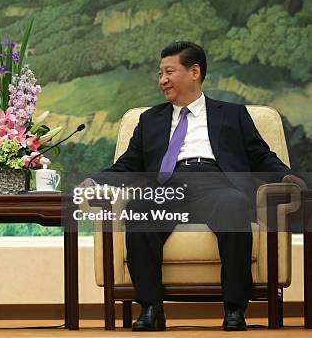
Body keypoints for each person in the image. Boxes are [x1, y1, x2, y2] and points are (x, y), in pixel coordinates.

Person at [101, 42, 306, 331]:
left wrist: (285, 176)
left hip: (215, 183)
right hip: (167, 185)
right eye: (160, 73)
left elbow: (261, 156)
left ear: (194, 71)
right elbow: (128, 164)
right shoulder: (150, 120)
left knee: (234, 205)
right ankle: (151, 309)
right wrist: (95, 181)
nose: (162, 80)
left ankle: (234, 309)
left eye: (169, 71)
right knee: (140, 209)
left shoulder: (232, 114)